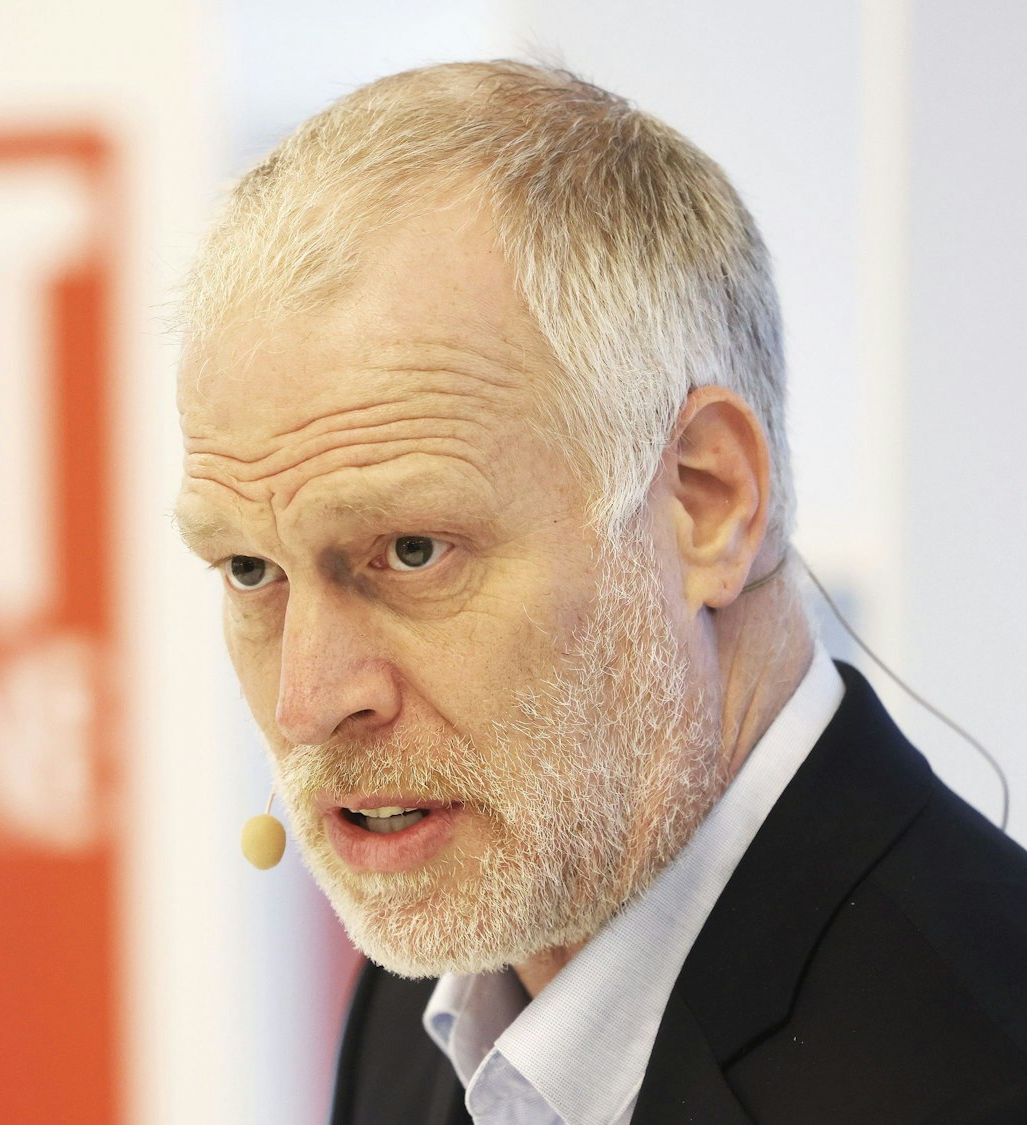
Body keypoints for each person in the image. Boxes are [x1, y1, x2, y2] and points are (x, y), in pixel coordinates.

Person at [175, 61, 1027, 1124]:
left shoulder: (985, 1065)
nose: (305, 704)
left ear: (705, 501)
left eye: (411, 550)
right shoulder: (425, 1002)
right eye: (249, 569)